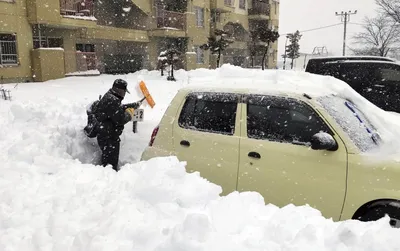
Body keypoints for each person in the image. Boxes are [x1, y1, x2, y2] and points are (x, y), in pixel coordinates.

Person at [94, 79, 141, 171]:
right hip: (109, 138)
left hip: (107, 135)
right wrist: (130, 113)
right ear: (120, 90)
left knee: (108, 162)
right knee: (110, 165)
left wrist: (131, 105)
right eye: (124, 92)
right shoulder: (112, 100)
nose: (124, 94)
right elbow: (120, 119)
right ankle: (110, 180)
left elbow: (116, 109)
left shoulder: (111, 97)